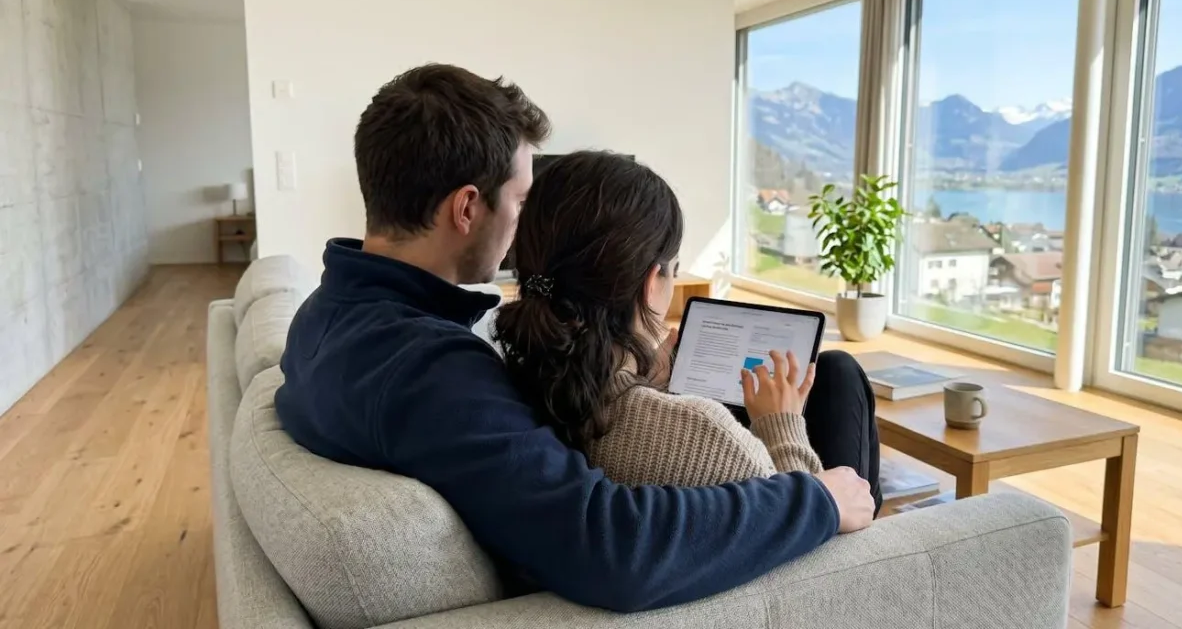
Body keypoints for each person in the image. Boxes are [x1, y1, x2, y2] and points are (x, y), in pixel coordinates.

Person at [273, 63, 876, 613]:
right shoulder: (431, 371)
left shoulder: (327, 313)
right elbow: (609, 546)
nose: (522, 222)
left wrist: (631, 369)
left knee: (836, 378)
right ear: (466, 209)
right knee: (840, 389)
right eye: (522, 199)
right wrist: (815, 500)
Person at [492, 152, 881, 509]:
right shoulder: (706, 433)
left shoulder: (512, 380)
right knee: (840, 374)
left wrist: (641, 379)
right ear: (650, 282)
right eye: (673, 270)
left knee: (833, 371)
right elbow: (810, 526)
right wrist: (780, 424)